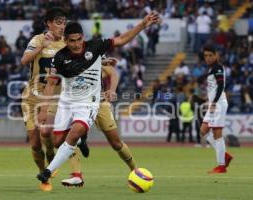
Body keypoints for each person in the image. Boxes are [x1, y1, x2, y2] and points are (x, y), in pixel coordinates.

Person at [36, 12, 161, 187]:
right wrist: (43, 109)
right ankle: (80, 140)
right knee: (58, 141)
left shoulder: (96, 46)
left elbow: (121, 40)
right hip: (67, 102)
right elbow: (50, 84)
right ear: (65, 41)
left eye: (79, 39)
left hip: (91, 102)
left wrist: (143, 24)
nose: (77, 44)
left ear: (83, 37)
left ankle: (48, 171)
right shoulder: (59, 58)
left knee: (111, 140)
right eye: (71, 41)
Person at [61, 58, 136, 187]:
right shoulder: (65, 59)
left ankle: (135, 171)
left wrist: (112, 89)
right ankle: (77, 175)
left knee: (116, 143)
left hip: (99, 104)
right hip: (77, 105)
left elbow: (112, 72)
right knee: (71, 137)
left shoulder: (94, 59)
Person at [20, 7, 67, 177]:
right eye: (58, 22)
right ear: (48, 23)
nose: (62, 26)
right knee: (34, 144)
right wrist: (41, 46)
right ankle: (42, 172)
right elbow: (24, 60)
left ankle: (50, 153)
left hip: (53, 94)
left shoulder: (67, 43)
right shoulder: (37, 39)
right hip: (31, 96)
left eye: (64, 23)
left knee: (46, 131)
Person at [200, 45, 233, 173]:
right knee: (203, 130)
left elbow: (220, 86)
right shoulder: (211, 69)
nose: (207, 58)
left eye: (210, 55)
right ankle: (224, 155)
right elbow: (213, 88)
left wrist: (213, 102)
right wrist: (208, 100)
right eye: (205, 56)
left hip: (218, 104)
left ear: (216, 55)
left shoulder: (218, 68)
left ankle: (221, 165)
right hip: (214, 103)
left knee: (216, 133)